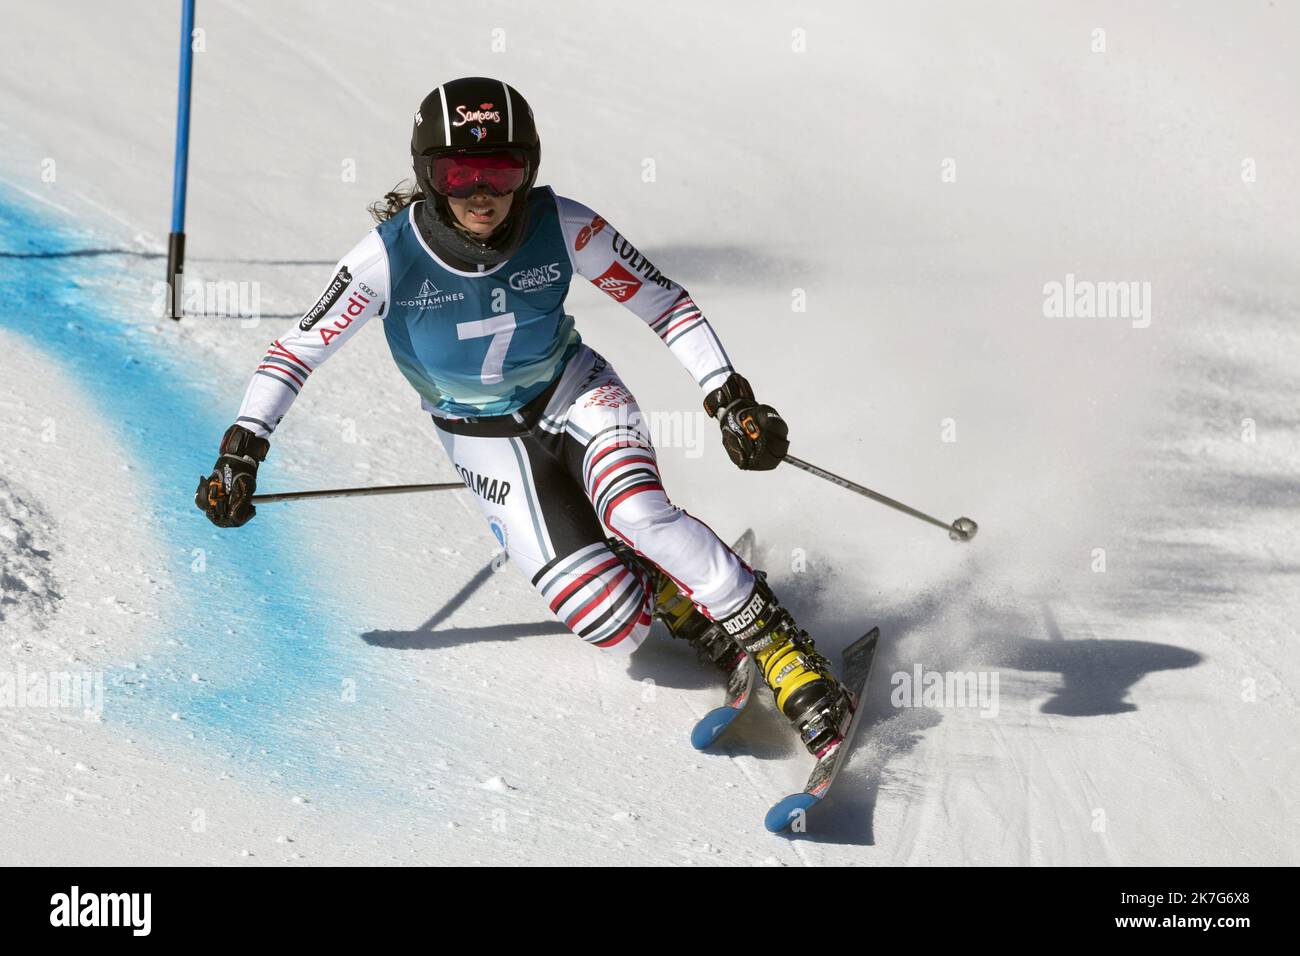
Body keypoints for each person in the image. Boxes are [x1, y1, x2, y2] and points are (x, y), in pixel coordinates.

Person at [195, 77, 849, 754]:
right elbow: (295, 351)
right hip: (479, 437)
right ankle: (673, 590)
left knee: (633, 512)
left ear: (528, 170)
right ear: (428, 175)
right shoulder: (385, 259)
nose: (482, 193)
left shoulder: (561, 224)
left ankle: (779, 647)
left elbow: (664, 302)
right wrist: (243, 450)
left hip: (575, 390)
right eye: (458, 173)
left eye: (502, 171)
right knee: (612, 622)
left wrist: (728, 395)